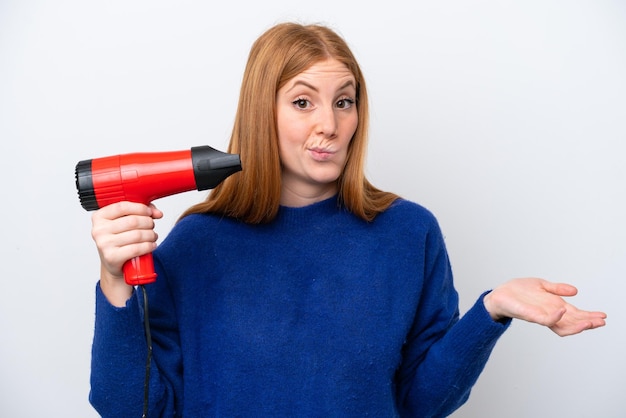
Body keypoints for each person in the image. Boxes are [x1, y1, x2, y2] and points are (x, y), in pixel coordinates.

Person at [88, 22, 607, 417]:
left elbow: (422, 404)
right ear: (259, 113)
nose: (329, 125)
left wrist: (491, 311)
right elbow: (130, 407)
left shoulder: (408, 232)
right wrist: (115, 283)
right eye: (302, 101)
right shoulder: (198, 242)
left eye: (344, 102)